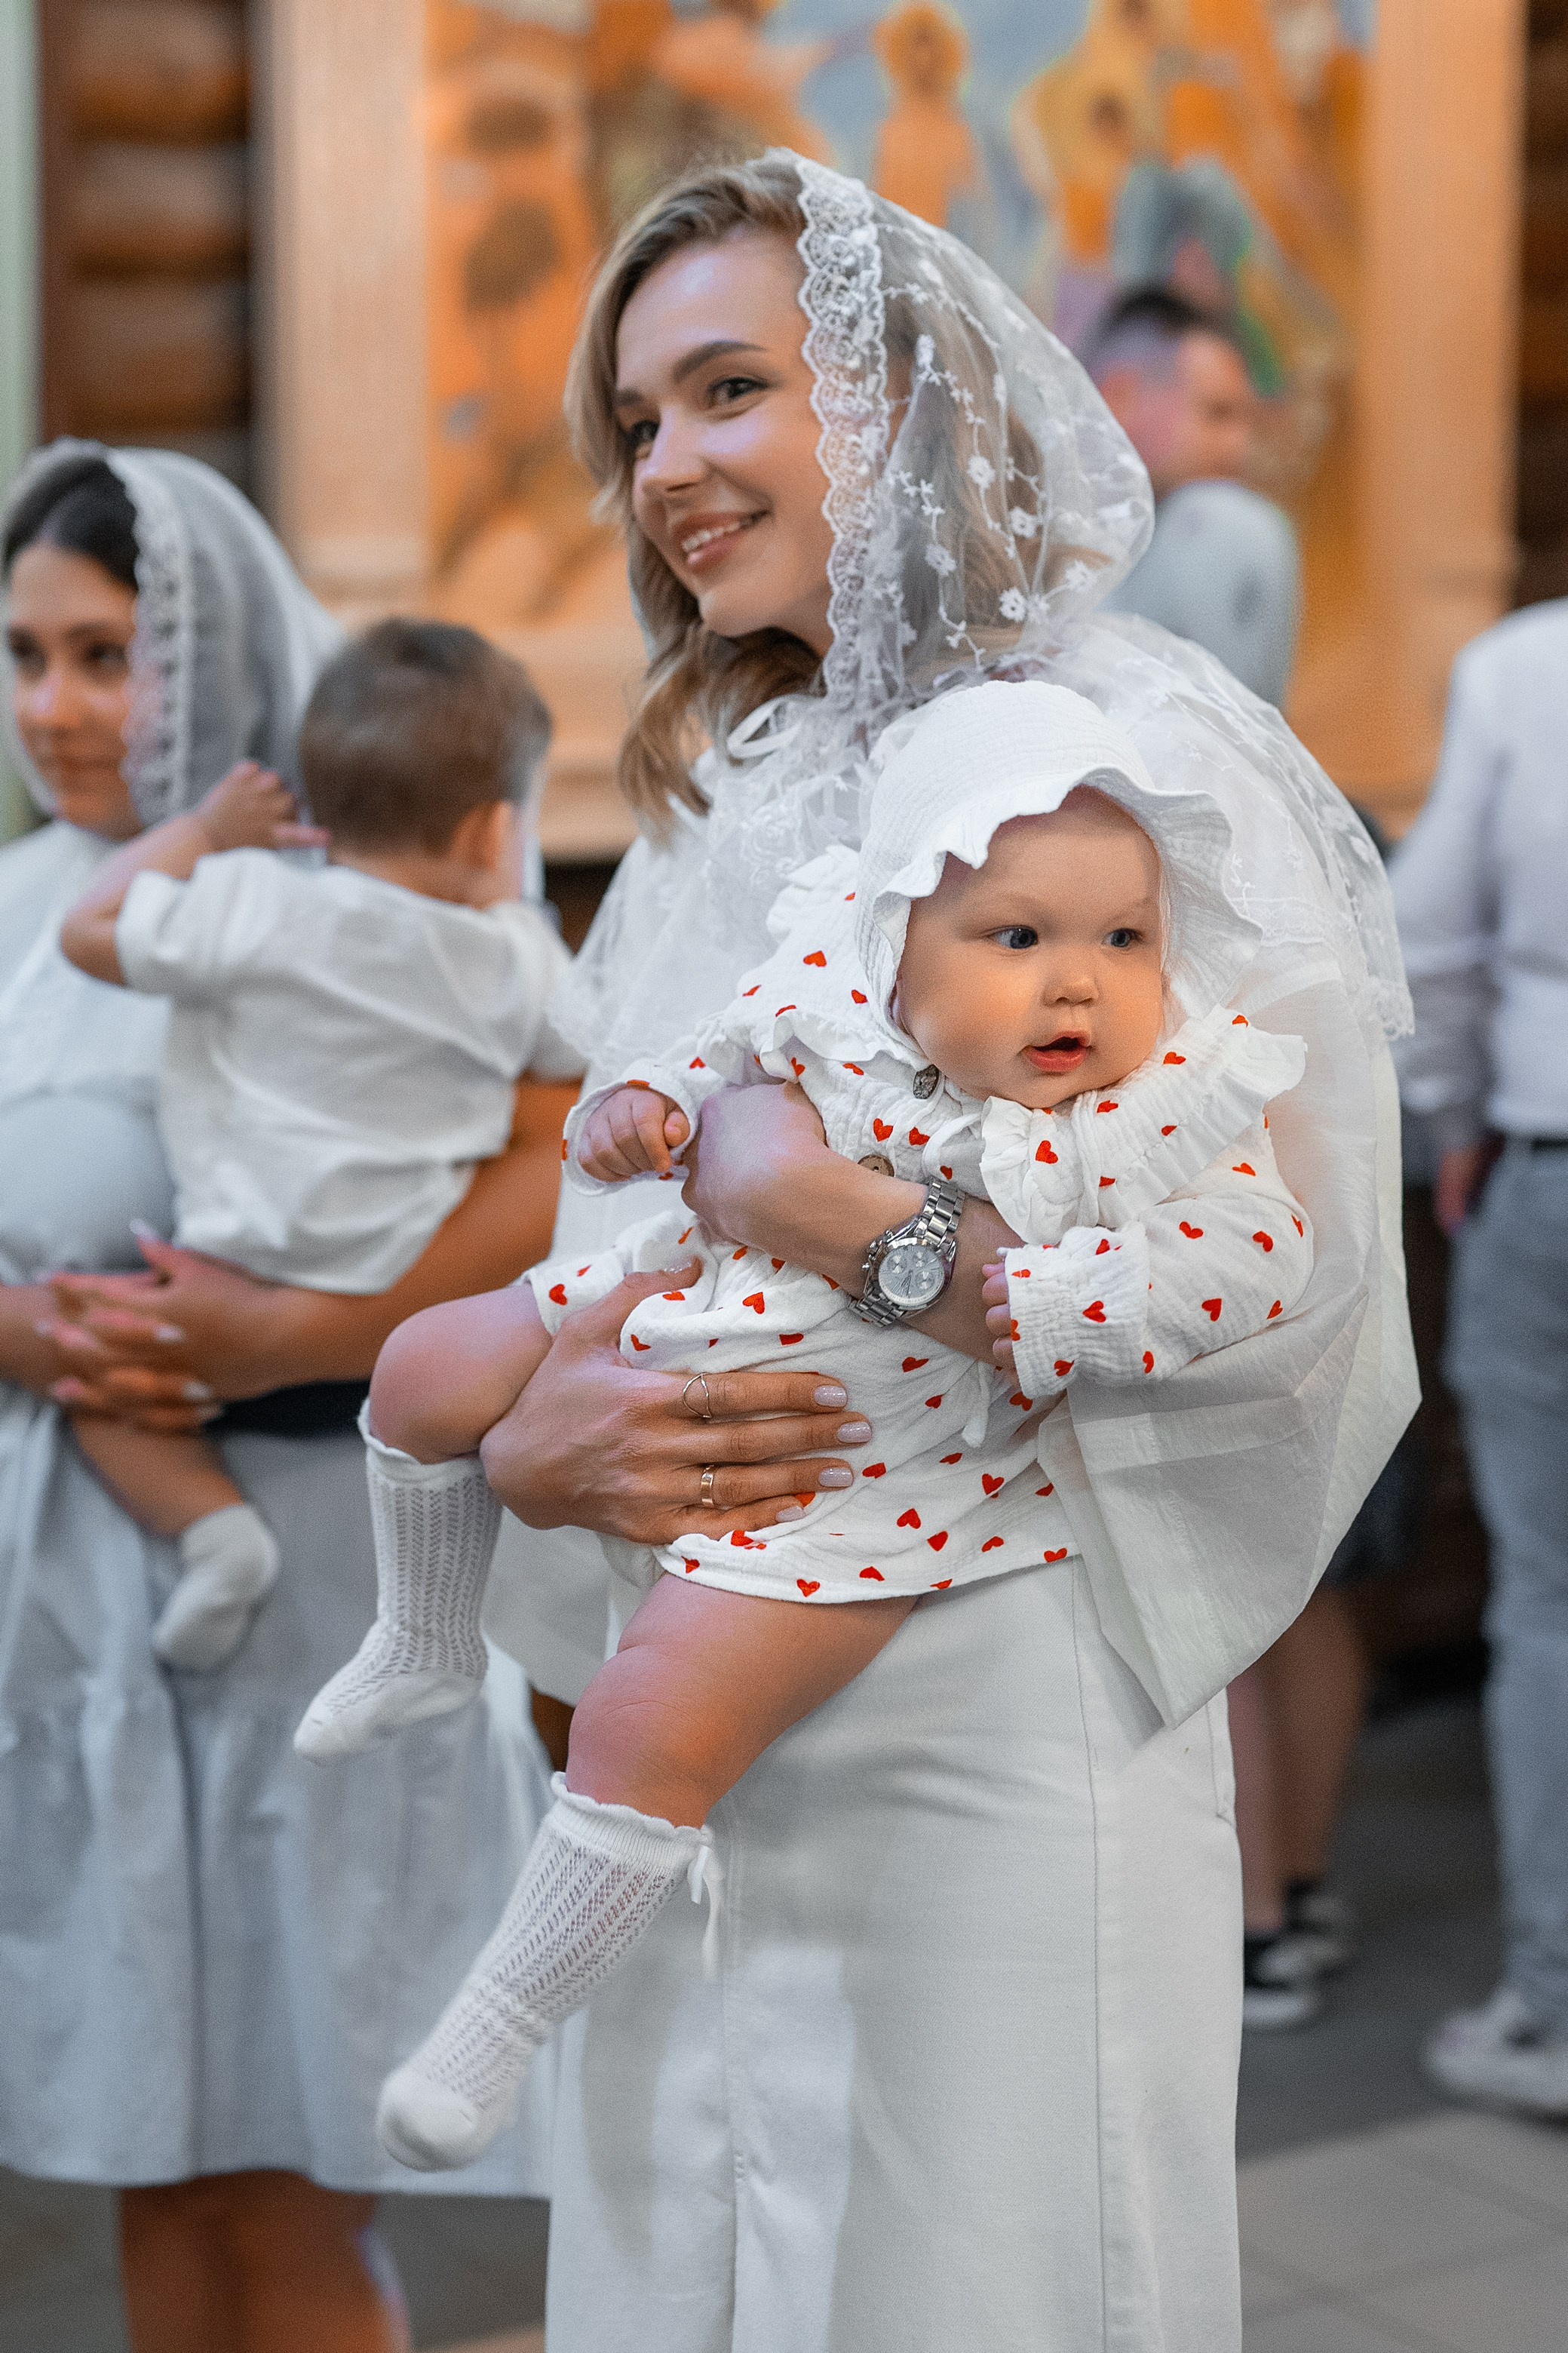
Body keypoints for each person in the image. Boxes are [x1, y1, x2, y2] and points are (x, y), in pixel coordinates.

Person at [388, 151, 1412, 2348]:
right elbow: (612, 1197)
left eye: (729, 388)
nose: (666, 466)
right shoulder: (731, 777)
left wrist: (839, 1214)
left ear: (900, 398)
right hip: (695, 1695)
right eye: (637, 423)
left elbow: (1290, 1268)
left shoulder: (1127, 745)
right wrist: (549, 1442)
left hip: (991, 1691)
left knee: (974, 2267)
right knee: (704, 2245)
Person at [299, 678, 1316, 2173]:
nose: (1079, 985)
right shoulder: (828, 987)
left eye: (1123, 939)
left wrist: (1042, 1299)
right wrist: (643, 1101)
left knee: (647, 1721)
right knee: (420, 1368)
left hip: (864, 1484)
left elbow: (1253, 1261)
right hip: (682, 1289)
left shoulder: (1149, 1112)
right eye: (1018, 937)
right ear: (896, 939)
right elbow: (713, 1047)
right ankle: (424, 1629)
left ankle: (499, 2020)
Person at [0, 444, 570, 2351]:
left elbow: (552, 1178)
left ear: (215, 647)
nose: (58, 709)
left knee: (295, 2163)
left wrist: (282, 1337)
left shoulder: (378, 890)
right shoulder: (29, 908)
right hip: (102, 1592)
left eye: (107, 653)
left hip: (327, 1571)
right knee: (153, 2149)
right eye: (23, 657)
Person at [54, 620, 572, 1673]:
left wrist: (203, 831)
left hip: (221, 1288)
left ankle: (212, 1533)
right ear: (490, 833)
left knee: (98, 1400)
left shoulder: (250, 903)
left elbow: (89, 927)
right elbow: (586, 1067)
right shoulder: (515, 953)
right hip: (398, 1330)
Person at [1392, 596, 1568, 2115]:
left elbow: (1428, 939)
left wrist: (1449, 1122)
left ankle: (1555, 2003)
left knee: (1553, 1600)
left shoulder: (1523, 668)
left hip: (1550, 1161)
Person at [1090, 287, 1301, 708]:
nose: (1238, 447)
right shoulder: (1224, 522)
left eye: (1247, 421)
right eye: (1217, 413)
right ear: (1121, 398)